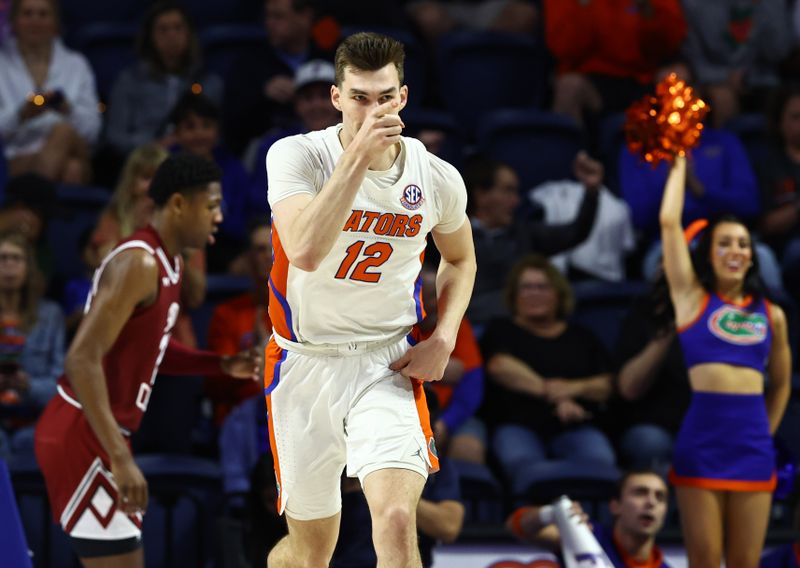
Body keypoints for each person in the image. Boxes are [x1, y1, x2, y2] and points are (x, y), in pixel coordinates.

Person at [264, 31, 476, 567]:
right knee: (311, 554)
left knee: (398, 518)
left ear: (402, 98)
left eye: (384, 97)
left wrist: (443, 337)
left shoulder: (436, 177)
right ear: (336, 98)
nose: (373, 109)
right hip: (304, 362)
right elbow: (306, 250)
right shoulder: (296, 156)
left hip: (386, 359)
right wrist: (357, 154)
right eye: (359, 97)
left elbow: (461, 258)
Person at [33, 154, 259, 567]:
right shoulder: (139, 261)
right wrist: (118, 455)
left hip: (101, 432)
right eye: (210, 205)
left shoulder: (168, 262)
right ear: (177, 204)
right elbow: (82, 359)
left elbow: (152, 349)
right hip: (84, 431)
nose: (219, 217)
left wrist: (220, 364)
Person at [660, 156, 791, 567]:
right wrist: (679, 159)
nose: (735, 250)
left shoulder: (772, 315)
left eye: (742, 243)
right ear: (710, 254)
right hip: (702, 443)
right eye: (724, 243)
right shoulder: (691, 299)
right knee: (704, 561)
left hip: (752, 446)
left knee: (745, 564)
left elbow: (783, 383)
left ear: (752, 256)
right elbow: (668, 222)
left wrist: (764, 432)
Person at [479, 254, 616, 496]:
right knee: (523, 465)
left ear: (558, 294)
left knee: (600, 460)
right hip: (517, 424)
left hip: (576, 425)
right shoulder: (502, 329)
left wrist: (572, 390)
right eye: (527, 287)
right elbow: (500, 366)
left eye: (542, 287)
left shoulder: (581, 336)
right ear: (514, 295)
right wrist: (557, 395)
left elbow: (605, 384)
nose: (534, 293)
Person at [466, 153, 600, 326]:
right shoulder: (444, 237)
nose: (516, 201)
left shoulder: (525, 233)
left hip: (517, 329)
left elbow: (575, 233)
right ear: (481, 195)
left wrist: (591, 192)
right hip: (466, 331)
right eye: (508, 191)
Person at [104, 1, 223, 159]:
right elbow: (115, 136)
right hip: (146, 163)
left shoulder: (209, 83)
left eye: (178, 28)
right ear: (151, 37)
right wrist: (154, 145)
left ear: (189, 34)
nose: (171, 36)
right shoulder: (129, 81)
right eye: (163, 29)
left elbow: (219, 136)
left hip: (196, 162)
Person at [0, 0, 100, 183]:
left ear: (55, 23)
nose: (35, 20)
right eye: (28, 14)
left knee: (63, 133)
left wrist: (66, 109)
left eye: (43, 14)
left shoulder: (76, 64)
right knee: (72, 169)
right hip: (13, 157)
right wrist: (21, 115)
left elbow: (92, 131)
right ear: (14, 21)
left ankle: (27, 206)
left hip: (74, 146)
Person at [544, 0, 686, 126]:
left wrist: (647, 11)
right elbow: (564, 49)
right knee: (569, 87)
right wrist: (584, 7)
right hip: (592, 78)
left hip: (644, 75)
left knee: (677, 77)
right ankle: (572, 154)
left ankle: (680, 154)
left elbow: (670, 43)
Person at [223, 0, 335, 155]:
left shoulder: (333, 56)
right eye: (267, 16)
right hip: (270, 152)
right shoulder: (248, 64)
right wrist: (262, 95)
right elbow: (230, 128)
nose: (269, 23)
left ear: (305, 16)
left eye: (278, 16)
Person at [508, 469, 672, 568]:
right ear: (615, 506)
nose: (651, 502)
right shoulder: (586, 536)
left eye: (660, 497)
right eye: (640, 493)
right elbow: (516, 527)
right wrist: (551, 514)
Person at [0, 231, 64, 460]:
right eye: (3, 258)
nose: (9, 266)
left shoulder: (50, 316)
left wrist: (29, 385)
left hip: (35, 418)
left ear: (28, 267)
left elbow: (62, 386)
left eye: (16, 259)